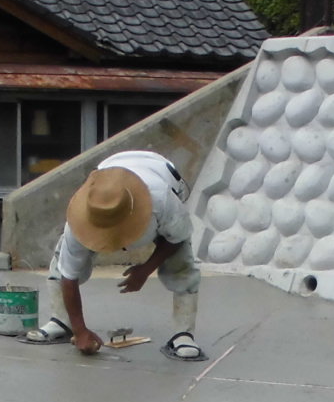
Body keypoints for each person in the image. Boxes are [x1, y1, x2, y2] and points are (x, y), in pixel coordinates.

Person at [24, 150, 204, 362]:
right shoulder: (84, 210)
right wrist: (80, 331)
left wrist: (146, 270)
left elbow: (177, 237)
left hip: (160, 173)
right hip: (109, 171)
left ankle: (183, 334)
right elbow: (68, 276)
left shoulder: (162, 199)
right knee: (61, 258)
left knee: (181, 263)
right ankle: (62, 322)